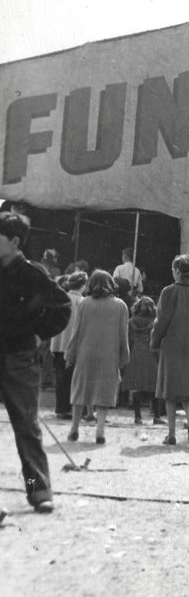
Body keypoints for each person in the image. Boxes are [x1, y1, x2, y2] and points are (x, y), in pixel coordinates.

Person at [0, 212, 71, 514]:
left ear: (14, 241)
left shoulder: (33, 274)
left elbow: (63, 307)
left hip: (20, 360)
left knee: (26, 428)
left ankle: (38, 490)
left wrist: (41, 334)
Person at [151, 253, 189, 447]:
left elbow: (162, 321)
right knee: (187, 390)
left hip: (172, 347)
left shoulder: (169, 291)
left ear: (177, 271)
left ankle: (171, 434)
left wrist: (154, 342)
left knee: (170, 391)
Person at [64, 270, 130, 444]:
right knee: (104, 392)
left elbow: (76, 332)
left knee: (80, 390)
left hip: (85, 354)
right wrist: (124, 357)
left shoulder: (84, 303)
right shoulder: (121, 305)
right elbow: (123, 335)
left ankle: (74, 428)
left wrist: (70, 355)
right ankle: (100, 430)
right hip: (109, 355)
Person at [49, 270, 87, 420]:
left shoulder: (61, 299)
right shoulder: (82, 302)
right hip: (74, 347)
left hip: (58, 344)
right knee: (73, 379)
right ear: (82, 285)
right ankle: (72, 409)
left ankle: (61, 409)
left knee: (60, 379)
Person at [123, 296, 159, 425]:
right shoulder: (154, 321)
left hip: (136, 352)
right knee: (154, 385)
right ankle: (157, 416)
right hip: (150, 352)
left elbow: (128, 339)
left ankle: (137, 416)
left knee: (136, 386)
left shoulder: (131, 322)